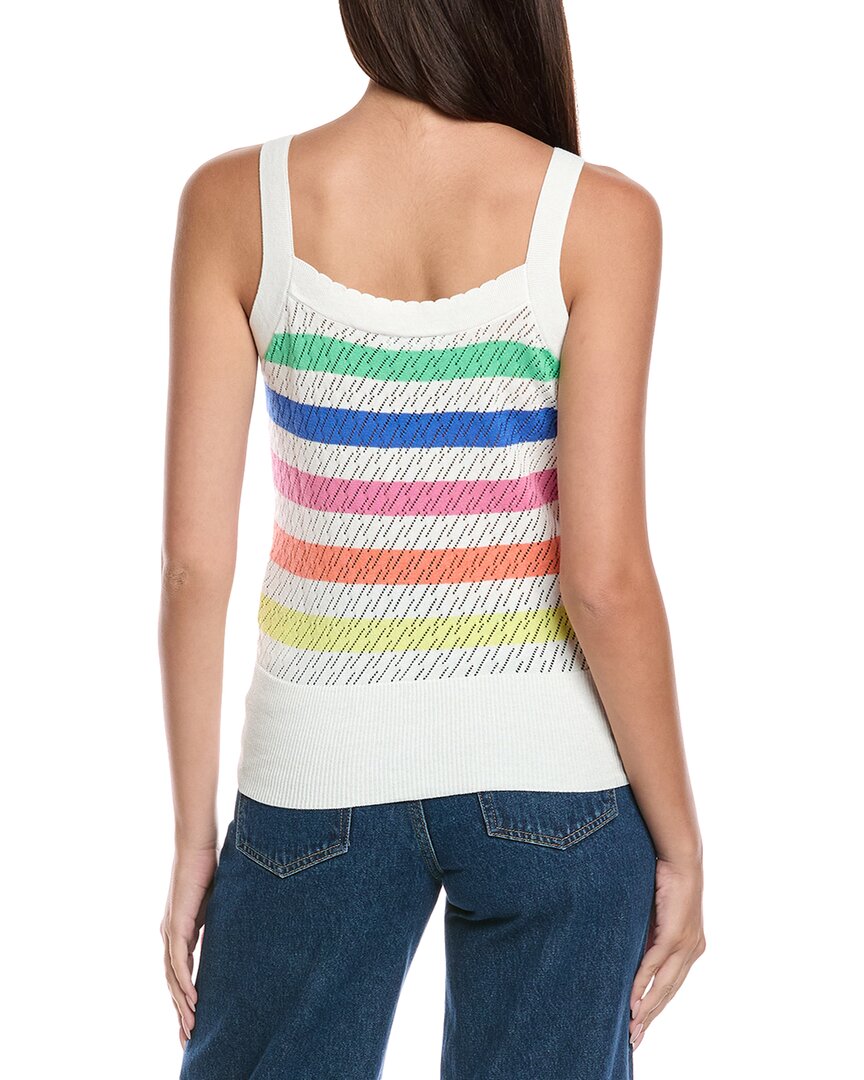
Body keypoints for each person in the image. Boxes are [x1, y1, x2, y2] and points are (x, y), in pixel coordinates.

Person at [159, 1, 706, 1076]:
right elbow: (603, 579)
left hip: (312, 776)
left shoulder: (236, 202)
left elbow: (192, 566)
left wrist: (191, 838)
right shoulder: (600, 216)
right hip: (555, 782)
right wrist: (680, 838)